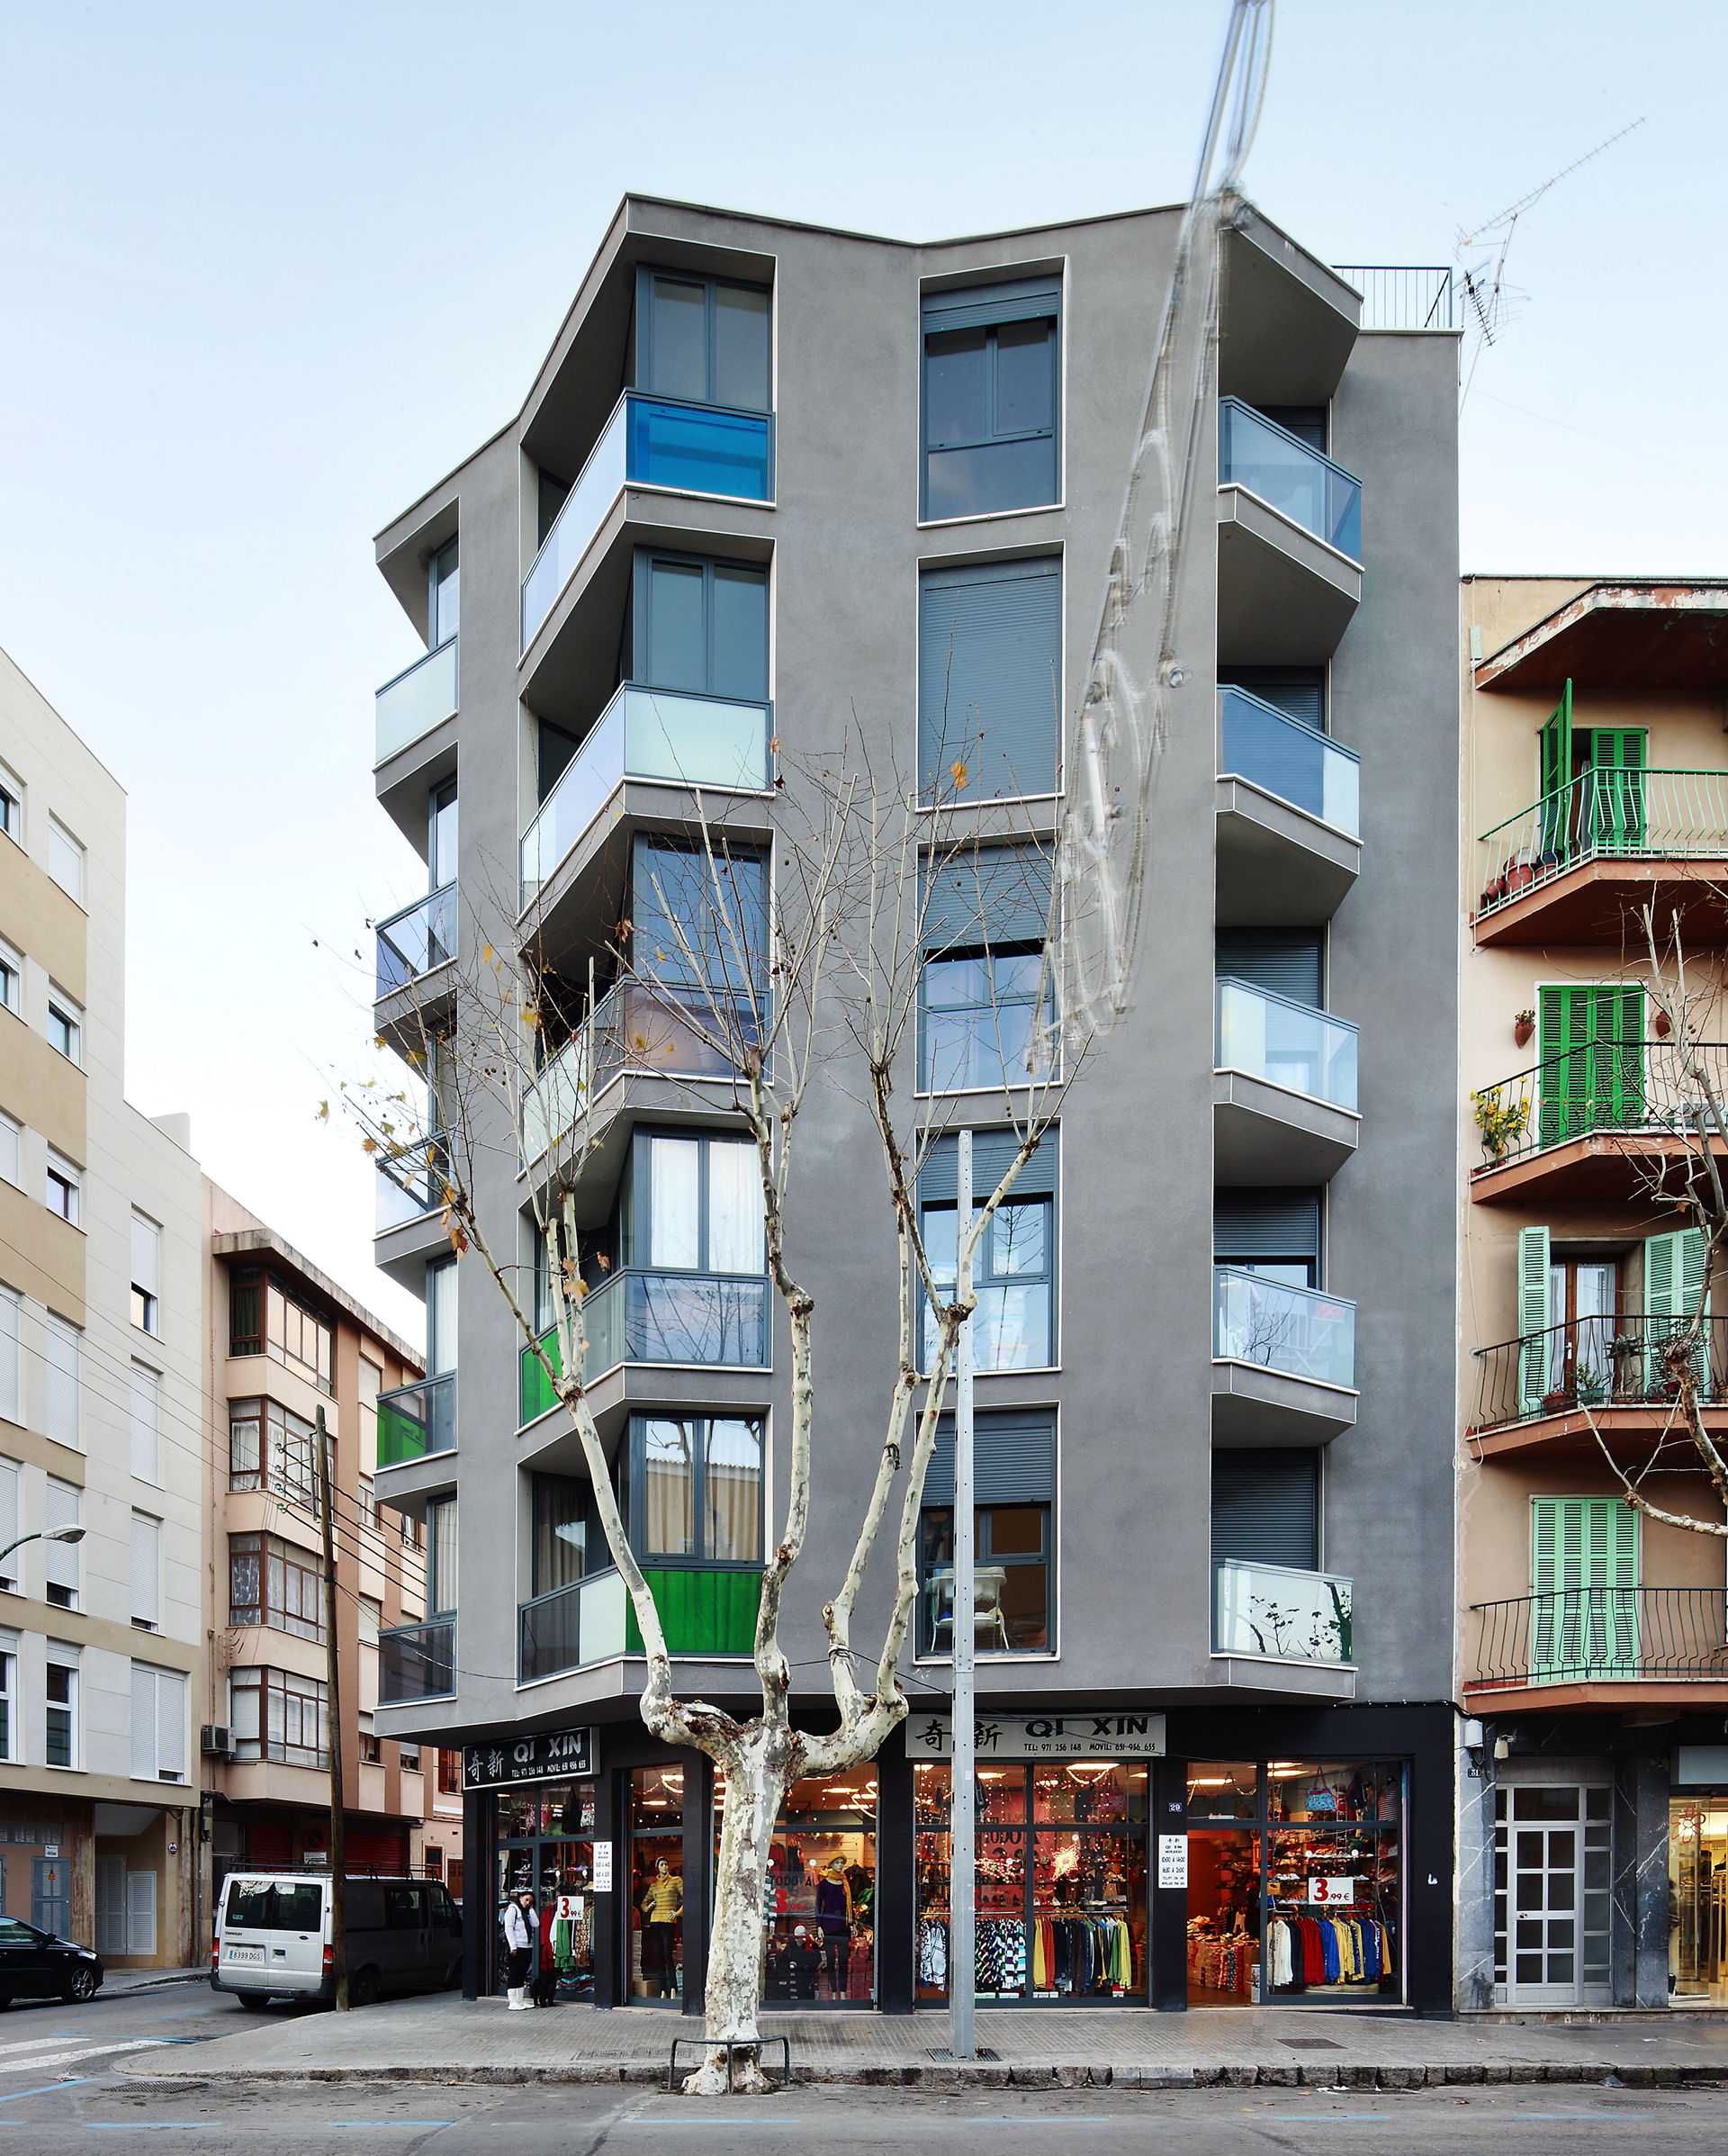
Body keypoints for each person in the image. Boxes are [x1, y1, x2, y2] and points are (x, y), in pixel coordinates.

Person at [639, 1857, 683, 1998]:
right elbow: (643, 1904)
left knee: (667, 1955)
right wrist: (648, 1907)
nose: (665, 1867)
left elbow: (688, 1897)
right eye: (662, 1865)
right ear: (657, 1868)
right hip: (655, 1922)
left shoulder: (676, 1881)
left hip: (668, 1923)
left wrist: (677, 1913)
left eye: (666, 1864)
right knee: (659, 1957)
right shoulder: (654, 1886)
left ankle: (673, 1989)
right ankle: (663, 1989)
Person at [503, 1887, 536, 2010]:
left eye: (531, 1902)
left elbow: (536, 1924)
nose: (528, 1903)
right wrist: (513, 1946)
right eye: (527, 1900)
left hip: (527, 1946)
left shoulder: (526, 1912)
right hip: (517, 1947)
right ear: (520, 1897)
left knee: (522, 1973)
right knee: (515, 1973)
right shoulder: (512, 1910)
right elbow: (509, 1928)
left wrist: (531, 1910)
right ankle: (512, 2001)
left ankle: (520, 2000)